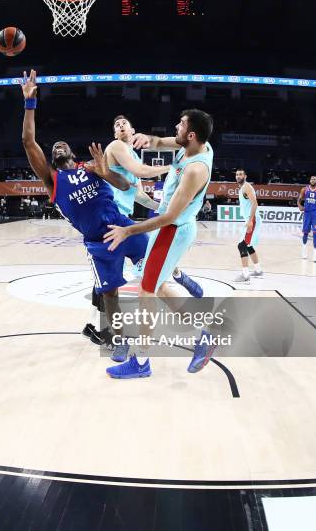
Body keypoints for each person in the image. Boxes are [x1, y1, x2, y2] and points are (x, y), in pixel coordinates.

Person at [20, 70, 160, 342]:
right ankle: (117, 341)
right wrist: (30, 103)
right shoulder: (53, 179)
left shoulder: (92, 167)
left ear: (72, 153)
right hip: (98, 241)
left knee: (156, 269)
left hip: (124, 227)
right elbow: (28, 141)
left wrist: (106, 171)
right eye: (54, 148)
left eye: (63, 146)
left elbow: (123, 185)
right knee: (110, 295)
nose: (58, 148)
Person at [103, 109, 215, 378]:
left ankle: (141, 362)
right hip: (166, 228)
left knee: (146, 291)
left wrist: (128, 232)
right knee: (157, 286)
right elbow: (163, 142)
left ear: (191, 134)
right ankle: (203, 334)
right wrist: (148, 139)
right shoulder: (195, 144)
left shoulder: (195, 169)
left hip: (172, 230)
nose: (175, 126)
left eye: (181, 124)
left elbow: (168, 217)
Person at [233, 169, 263, 283]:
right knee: (249, 246)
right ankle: (258, 270)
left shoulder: (247, 187)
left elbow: (255, 203)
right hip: (251, 219)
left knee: (242, 245)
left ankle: (245, 275)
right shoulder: (242, 188)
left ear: (245, 176)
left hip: (253, 219)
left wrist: (250, 220)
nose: (238, 176)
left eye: (240, 174)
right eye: (237, 174)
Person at [297, 175, 316, 262]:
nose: (313, 180)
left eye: (314, 179)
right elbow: (299, 200)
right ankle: (304, 248)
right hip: (307, 213)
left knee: (315, 233)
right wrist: (299, 206)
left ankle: (315, 255)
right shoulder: (304, 189)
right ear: (310, 180)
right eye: (312, 179)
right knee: (305, 233)